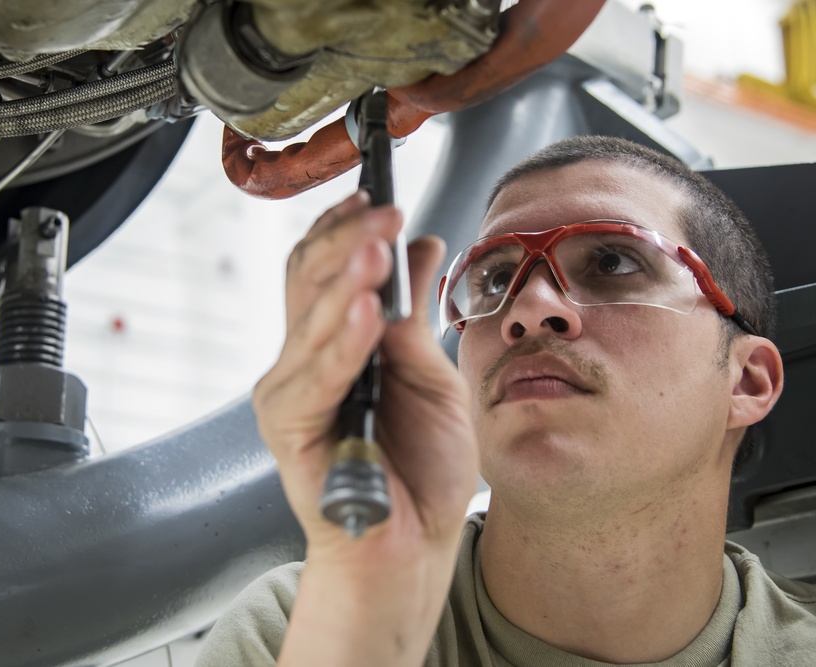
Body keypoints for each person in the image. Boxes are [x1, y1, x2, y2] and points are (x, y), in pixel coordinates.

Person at [194, 136, 816, 666]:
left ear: (746, 381)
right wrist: (363, 624)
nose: (527, 310)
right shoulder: (298, 631)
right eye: (494, 279)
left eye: (614, 261)